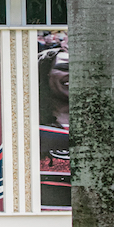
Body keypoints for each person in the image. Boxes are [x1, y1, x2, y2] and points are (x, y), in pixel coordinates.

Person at [36, 37, 71, 210]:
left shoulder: (100, 123)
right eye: (64, 68)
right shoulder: (31, 123)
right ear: (45, 73)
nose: (73, 74)